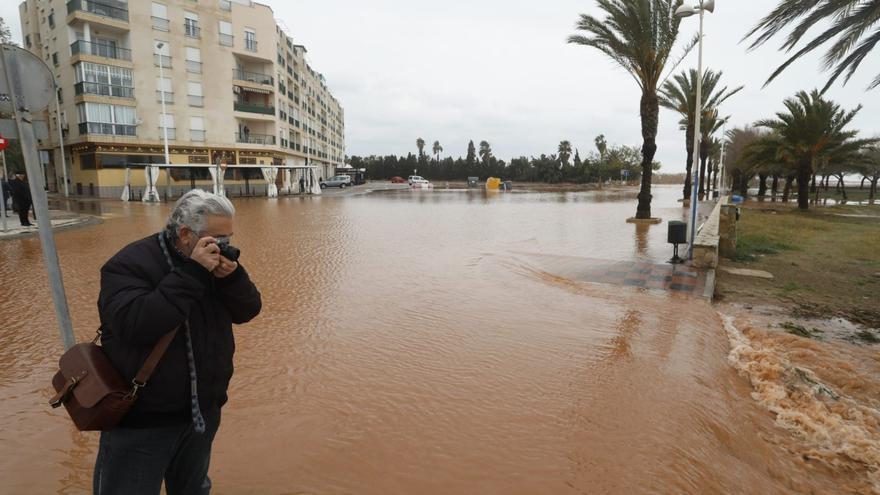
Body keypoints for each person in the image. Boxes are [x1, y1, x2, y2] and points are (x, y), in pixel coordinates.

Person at [94, 189, 262, 494]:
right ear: (185, 234)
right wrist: (193, 273)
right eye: (218, 239)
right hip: (142, 419)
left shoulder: (215, 264)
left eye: (229, 238)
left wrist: (232, 278)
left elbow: (249, 310)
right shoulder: (129, 264)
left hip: (203, 413)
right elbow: (135, 325)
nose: (226, 247)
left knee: (193, 489)